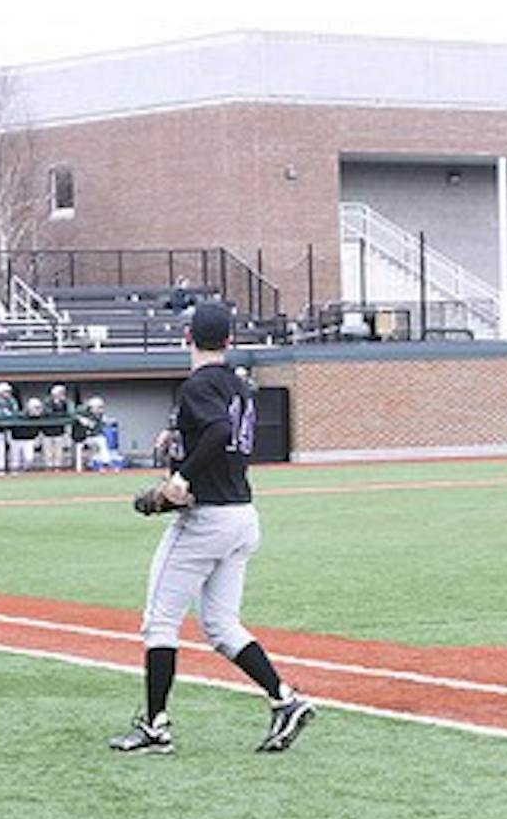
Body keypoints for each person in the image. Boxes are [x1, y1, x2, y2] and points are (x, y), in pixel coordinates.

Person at [111, 302, 314, 756]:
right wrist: (177, 445)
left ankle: (155, 726)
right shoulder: (239, 384)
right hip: (242, 514)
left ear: (187, 338)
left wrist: (181, 479)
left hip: (207, 518)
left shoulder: (199, 383)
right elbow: (222, 432)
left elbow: (218, 430)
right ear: (229, 341)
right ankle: (284, 699)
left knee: (160, 621)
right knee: (221, 625)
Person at [43, 384, 75, 470]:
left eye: (62, 393)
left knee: (59, 452)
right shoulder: (47, 402)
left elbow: (70, 413)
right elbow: (47, 413)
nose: (62, 395)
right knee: (48, 452)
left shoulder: (65, 403)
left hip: (60, 431)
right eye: (60, 393)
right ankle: (48, 468)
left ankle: (57, 468)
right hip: (47, 432)